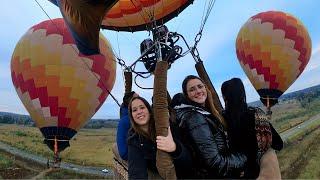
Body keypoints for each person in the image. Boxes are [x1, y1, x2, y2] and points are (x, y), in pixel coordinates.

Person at [171, 75, 247, 179]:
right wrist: (244, 159)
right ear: (187, 95)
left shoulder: (202, 113)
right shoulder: (195, 118)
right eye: (192, 89)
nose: (198, 91)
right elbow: (214, 162)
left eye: (200, 86)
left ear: (205, 88)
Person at [221, 77, 283, 178]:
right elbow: (278, 144)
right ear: (243, 94)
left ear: (224, 97)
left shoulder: (222, 120)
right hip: (258, 171)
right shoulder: (256, 115)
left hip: (238, 173)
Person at [127, 96, 192, 179]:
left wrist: (175, 148)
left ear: (149, 111)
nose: (139, 112)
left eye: (142, 107)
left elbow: (188, 162)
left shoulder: (166, 128)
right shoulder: (134, 140)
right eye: (134, 110)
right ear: (132, 116)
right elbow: (136, 173)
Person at [116, 91, 138, 160]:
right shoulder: (128, 120)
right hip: (129, 155)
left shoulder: (125, 118)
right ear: (131, 103)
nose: (140, 100)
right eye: (137, 98)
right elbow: (124, 153)